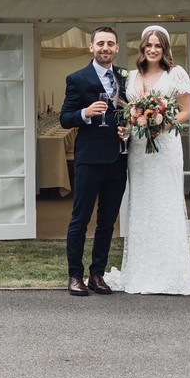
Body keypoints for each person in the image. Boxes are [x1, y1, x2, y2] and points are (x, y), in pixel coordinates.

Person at [106, 25, 190, 295]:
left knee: (166, 203)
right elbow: (125, 110)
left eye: (158, 45)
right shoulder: (131, 76)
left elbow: (185, 111)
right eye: (148, 45)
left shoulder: (176, 74)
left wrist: (163, 124)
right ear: (142, 48)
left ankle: (171, 272)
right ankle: (141, 271)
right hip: (138, 148)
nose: (153, 49)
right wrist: (128, 125)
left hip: (165, 146)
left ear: (165, 48)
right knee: (143, 204)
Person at [59, 26, 129, 297]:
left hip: (118, 158)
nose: (105, 48)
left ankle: (97, 275)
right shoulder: (77, 79)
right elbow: (65, 118)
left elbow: (129, 112)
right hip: (89, 159)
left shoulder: (125, 77)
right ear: (91, 47)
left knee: (107, 221)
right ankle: (74, 275)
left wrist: (129, 128)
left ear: (117, 48)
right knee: (80, 218)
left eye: (110, 43)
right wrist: (85, 113)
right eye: (100, 43)